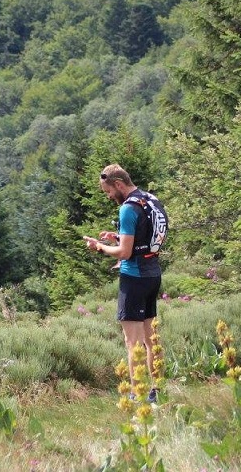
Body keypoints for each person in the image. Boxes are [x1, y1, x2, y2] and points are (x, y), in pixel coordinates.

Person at [82, 164, 166, 402]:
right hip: (153, 275)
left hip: (134, 278)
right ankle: (157, 392)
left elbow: (125, 253)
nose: (109, 197)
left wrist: (99, 247)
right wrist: (118, 236)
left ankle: (137, 396)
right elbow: (149, 236)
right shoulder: (150, 200)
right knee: (152, 341)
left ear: (118, 184)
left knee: (133, 342)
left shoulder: (127, 209)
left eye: (108, 192)